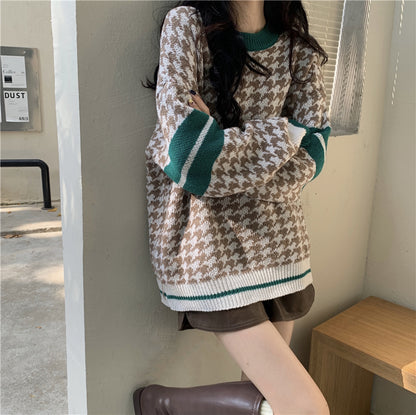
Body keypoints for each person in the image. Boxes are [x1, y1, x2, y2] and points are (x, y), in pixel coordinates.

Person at [134, 1, 331, 414]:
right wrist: (284, 134)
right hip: (208, 243)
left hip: (281, 241)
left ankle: (161, 403)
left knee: (265, 401)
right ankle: (163, 403)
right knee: (305, 407)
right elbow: (191, 156)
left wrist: (224, 141)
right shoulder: (187, 25)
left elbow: (313, 153)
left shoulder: (295, 42)